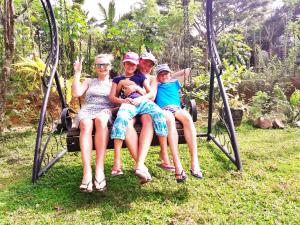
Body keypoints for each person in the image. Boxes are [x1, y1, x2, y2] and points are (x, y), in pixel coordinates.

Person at [109, 52, 181, 183]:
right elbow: (113, 97)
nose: (130, 66)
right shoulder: (118, 79)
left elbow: (150, 93)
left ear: (136, 65)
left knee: (159, 115)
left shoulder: (141, 77)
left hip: (143, 103)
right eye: (128, 63)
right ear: (124, 64)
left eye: (133, 64)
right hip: (129, 103)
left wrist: (138, 91)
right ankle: (117, 161)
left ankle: (164, 152)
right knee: (121, 120)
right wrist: (123, 101)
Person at [72, 54, 116, 192]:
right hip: (87, 110)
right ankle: (87, 172)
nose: (102, 67)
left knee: (101, 120)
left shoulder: (115, 83)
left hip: (104, 111)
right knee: (85, 124)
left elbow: (121, 103)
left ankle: (99, 169)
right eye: (99, 65)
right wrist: (77, 73)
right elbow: (76, 93)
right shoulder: (89, 81)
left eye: (105, 64)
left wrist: (111, 109)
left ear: (110, 67)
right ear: (95, 67)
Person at [155, 64, 203, 179]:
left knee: (187, 118)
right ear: (157, 77)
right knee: (170, 120)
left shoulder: (174, 83)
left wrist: (171, 76)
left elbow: (187, 71)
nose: (164, 76)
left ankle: (194, 162)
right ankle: (178, 166)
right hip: (163, 110)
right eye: (161, 74)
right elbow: (149, 80)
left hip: (176, 108)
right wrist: (160, 78)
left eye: (165, 73)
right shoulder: (156, 85)